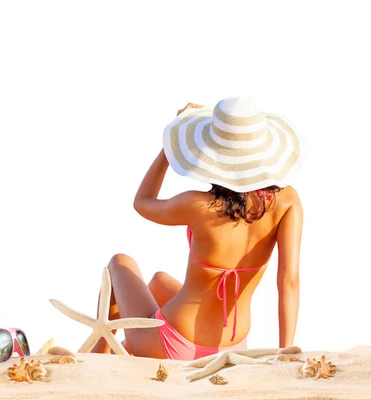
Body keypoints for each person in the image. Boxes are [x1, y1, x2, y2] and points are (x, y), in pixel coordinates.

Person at [91, 96, 303, 360]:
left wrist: (168, 146)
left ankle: (94, 357)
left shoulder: (200, 205)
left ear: (212, 154)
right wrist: (286, 353)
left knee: (119, 263)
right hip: (233, 346)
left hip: (174, 343)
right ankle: (123, 345)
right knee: (158, 282)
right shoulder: (287, 201)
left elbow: (142, 202)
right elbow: (288, 281)